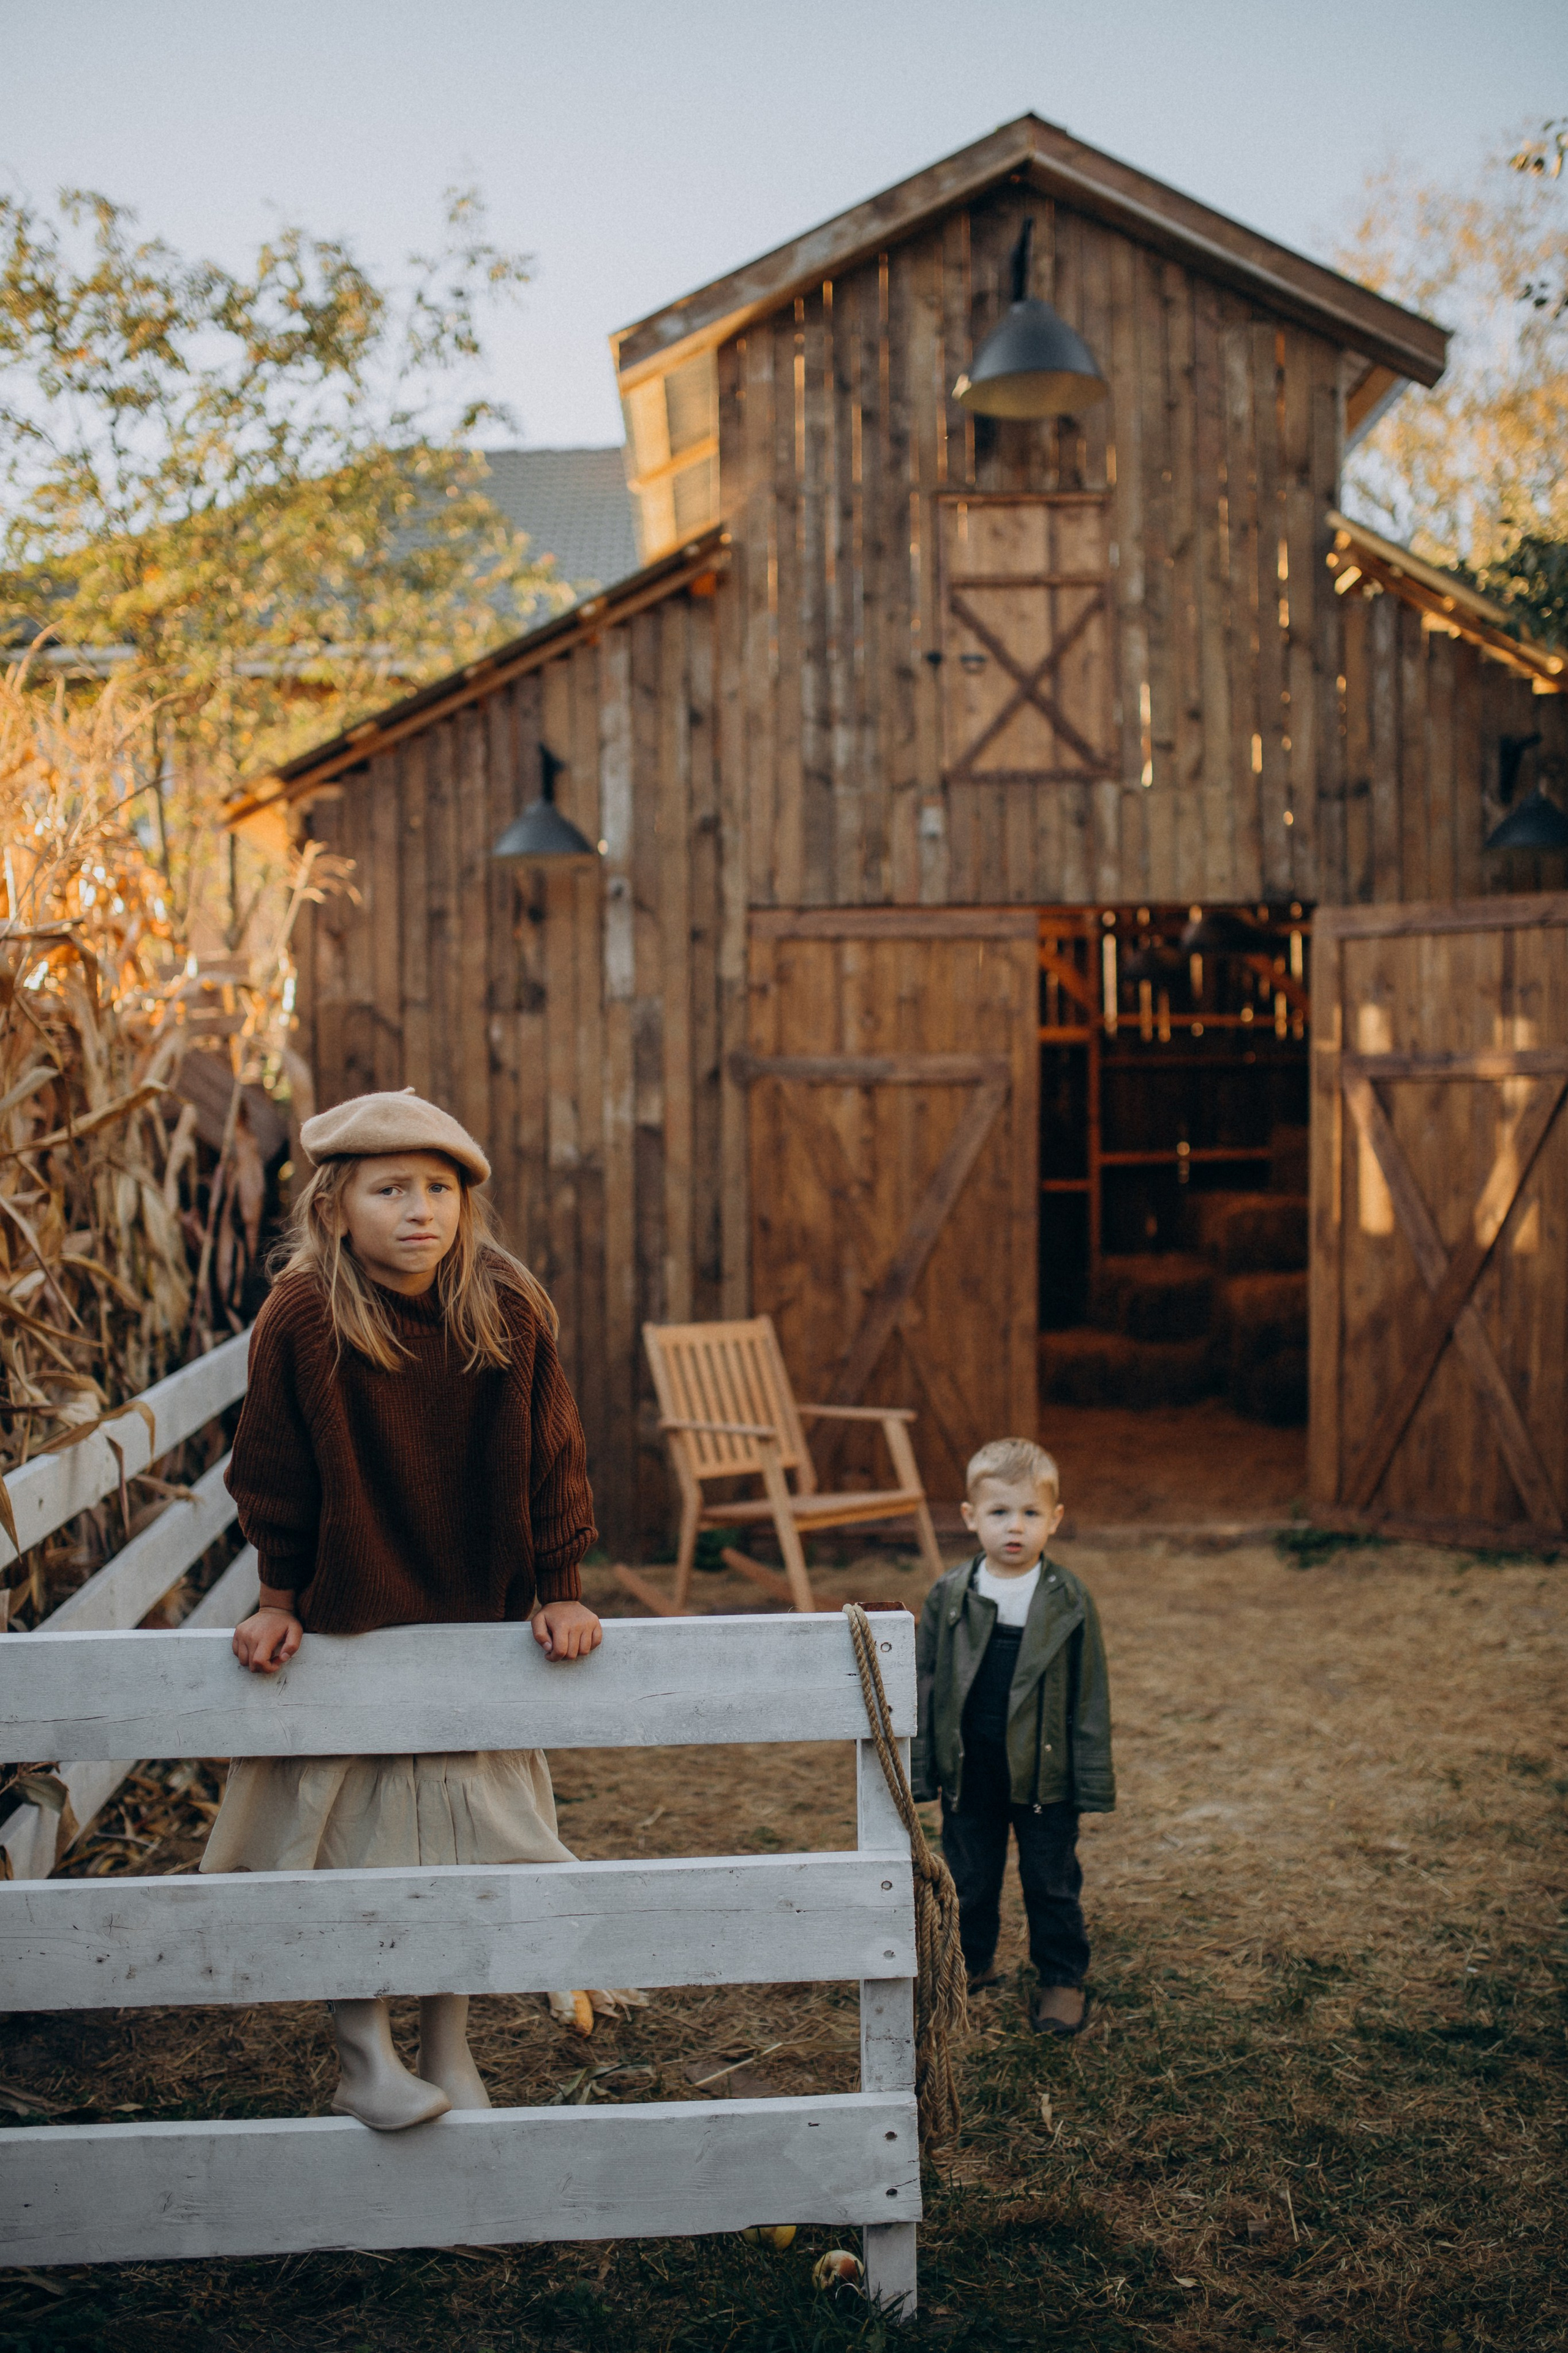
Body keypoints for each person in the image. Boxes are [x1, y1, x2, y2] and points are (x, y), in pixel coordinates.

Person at [202, 1088, 601, 2129]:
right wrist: (277, 1595)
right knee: (351, 1843)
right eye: (390, 1190)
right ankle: (363, 2052)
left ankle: (451, 2049)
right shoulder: (302, 1314)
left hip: (468, 1626)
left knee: (454, 1843)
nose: (420, 1211)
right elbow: (273, 1469)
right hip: (348, 1624)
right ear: (336, 1206)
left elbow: (554, 1458)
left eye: (439, 1189)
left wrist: (561, 1590)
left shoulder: (505, 1305)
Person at [911, 1437, 1114, 2037]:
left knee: (1050, 1880)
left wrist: (1089, 1780)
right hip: (971, 1768)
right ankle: (968, 1968)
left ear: (1054, 1519)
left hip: (1044, 1774)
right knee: (969, 1878)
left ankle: (1061, 1978)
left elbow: (1090, 1695)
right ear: (970, 1518)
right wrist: (926, 1769)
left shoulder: (1068, 1600)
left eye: (1029, 1513)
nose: (1014, 1528)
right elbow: (925, 1686)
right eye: (999, 1513)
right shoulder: (950, 1596)